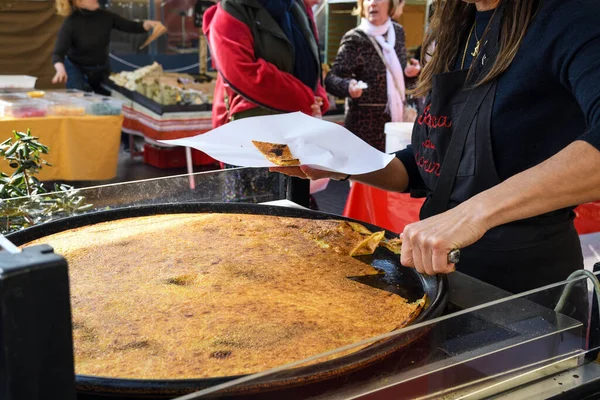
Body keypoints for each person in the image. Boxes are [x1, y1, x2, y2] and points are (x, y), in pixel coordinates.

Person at [271, 0, 600, 296]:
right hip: (437, 277)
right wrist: (342, 160)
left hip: (526, 290)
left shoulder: (571, 16)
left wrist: (473, 212)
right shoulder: (462, 27)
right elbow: (434, 163)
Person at [202, 0, 329, 205]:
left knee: (294, 208)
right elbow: (242, 71)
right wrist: (304, 98)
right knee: (257, 217)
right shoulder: (231, 9)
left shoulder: (295, 6)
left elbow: (310, 59)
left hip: (294, 130)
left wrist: (318, 98)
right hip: (253, 136)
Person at [324, 0, 420, 152]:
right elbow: (331, 79)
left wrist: (410, 73)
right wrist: (349, 87)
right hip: (364, 130)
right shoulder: (355, 38)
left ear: (391, 4)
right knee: (363, 174)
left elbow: (400, 80)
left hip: (394, 127)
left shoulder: (398, 32)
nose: (373, 3)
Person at [52, 0, 166, 94]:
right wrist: (60, 69)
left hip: (101, 69)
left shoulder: (106, 17)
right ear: (79, 2)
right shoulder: (70, 23)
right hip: (76, 70)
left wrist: (149, 24)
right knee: (79, 105)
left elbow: (133, 26)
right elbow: (58, 53)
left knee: (108, 101)